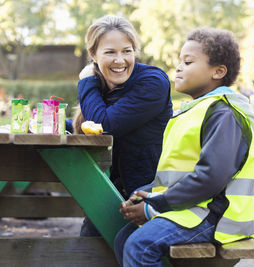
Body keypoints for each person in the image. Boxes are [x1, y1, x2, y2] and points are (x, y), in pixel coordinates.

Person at [114, 27, 254, 267]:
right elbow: (176, 174)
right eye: (179, 61)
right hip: (192, 209)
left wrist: (155, 206)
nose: (178, 67)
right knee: (124, 239)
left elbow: (211, 177)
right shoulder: (192, 111)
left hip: (215, 216)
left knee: (139, 246)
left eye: (188, 61)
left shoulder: (224, 113)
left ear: (218, 71)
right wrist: (146, 193)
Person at [74, 15, 172, 237]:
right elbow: (88, 123)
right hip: (112, 189)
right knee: (88, 247)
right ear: (93, 55)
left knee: (113, 244)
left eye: (127, 51)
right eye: (110, 52)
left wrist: (86, 82)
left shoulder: (152, 82)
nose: (120, 60)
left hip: (147, 196)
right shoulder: (102, 83)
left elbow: (103, 125)